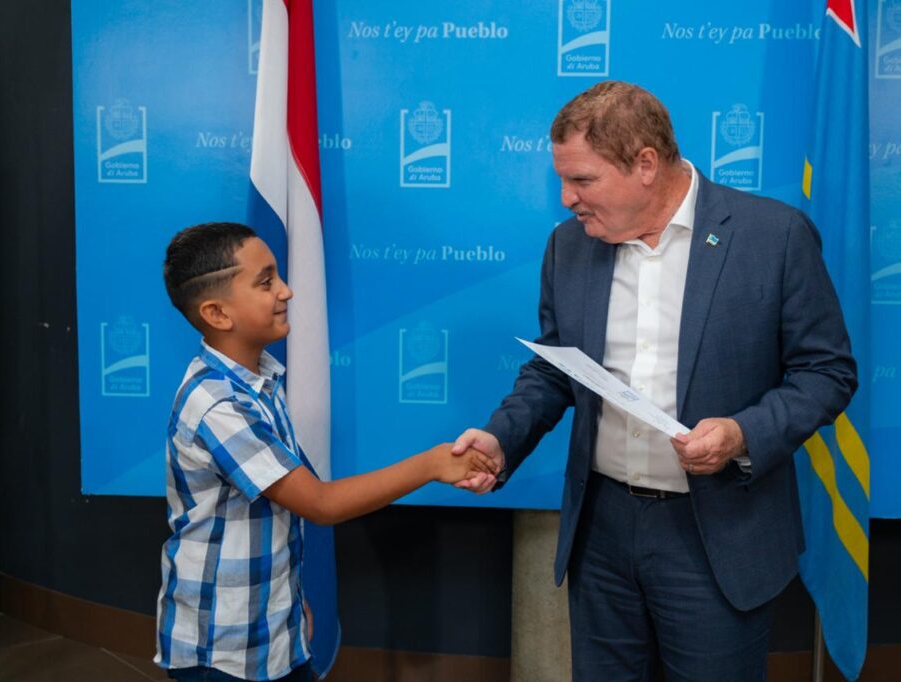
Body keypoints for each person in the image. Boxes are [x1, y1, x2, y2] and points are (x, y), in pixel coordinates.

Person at [453, 81, 857, 681]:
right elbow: (555, 368)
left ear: (645, 164)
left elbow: (826, 373)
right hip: (602, 532)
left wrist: (742, 434)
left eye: (582, 180)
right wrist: (501, 438)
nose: (566, 199)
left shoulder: (773, 237)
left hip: (716, 534)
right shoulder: (569, 246)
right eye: (562, 180)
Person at [155, 222, 496, 682]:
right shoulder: (218, 405)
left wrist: (290, 603)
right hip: (223, 650)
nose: (287, 291)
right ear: (217, 313)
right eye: (266, 282)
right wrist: (432, 464)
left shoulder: (260, 381)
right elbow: (319, 503)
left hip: (275, 629)